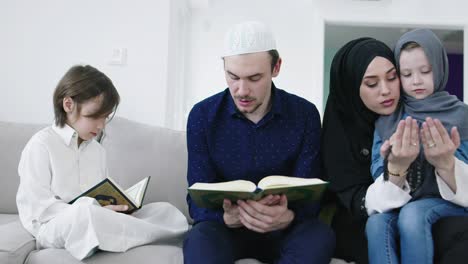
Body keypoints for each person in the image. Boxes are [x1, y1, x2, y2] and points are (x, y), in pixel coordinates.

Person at [183, 21, 335, 264]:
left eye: (254, 78)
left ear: (276, 67)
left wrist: (288, 217)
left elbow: (312, 193)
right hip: (227, 229)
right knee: (199, 240)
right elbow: (196, 197)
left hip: (286, 228)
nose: (242, 90)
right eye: (232, 76)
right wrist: (226, 218)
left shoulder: (305, 114)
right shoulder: (202, 115)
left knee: (319, 236)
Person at [16, 65, 188, 260]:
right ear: (68, 105)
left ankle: (111, 234)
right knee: (85, 214)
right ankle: (115, 234)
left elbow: (102, 193)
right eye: (94, 116)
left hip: (97, 218)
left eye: (105, 117)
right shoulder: (41, 145)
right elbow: (38, 210)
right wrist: (91, 209)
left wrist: (120, 207)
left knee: (165, 212)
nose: (101, 125)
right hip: (56, 225)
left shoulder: (97, 151)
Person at [366, 29, 468, 264]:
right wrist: (391, 163)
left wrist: (447, 162)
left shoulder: (461, 115)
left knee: (413, 214)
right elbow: (377, 169)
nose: (417, 80)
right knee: (376, 223)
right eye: (407, 74)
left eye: (425, 71)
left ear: (440, 68)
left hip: (449, 204)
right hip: (403, 201)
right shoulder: (388, 119)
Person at [321, 37, 401, 264]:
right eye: (372, 83)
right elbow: (354, 201)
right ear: (351, 88)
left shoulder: (413, 117)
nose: (386, 90)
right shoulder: (340, 133)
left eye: (392, 77)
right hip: (357, 224)